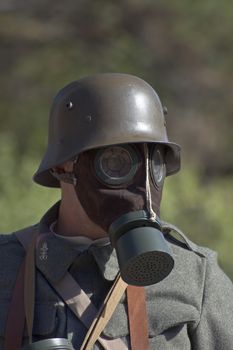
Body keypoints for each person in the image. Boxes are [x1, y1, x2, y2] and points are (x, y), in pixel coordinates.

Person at [1, 73, 232, 350]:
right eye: (116, 163)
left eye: (154, 164)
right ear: (63, 167)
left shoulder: (196, 276)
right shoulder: (9, 266)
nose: (142, 188)